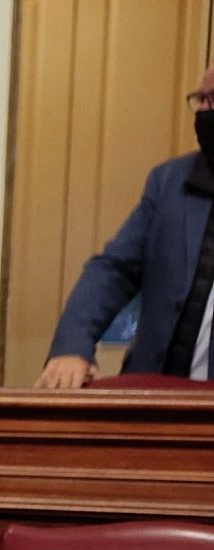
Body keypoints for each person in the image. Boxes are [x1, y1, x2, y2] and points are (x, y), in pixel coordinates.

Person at [38, 63, 214, 388]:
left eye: (213, 100)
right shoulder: (170, 182)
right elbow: (113, 270)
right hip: (150, 399)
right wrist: (72, 346)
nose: (204, 110)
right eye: (200, 98)